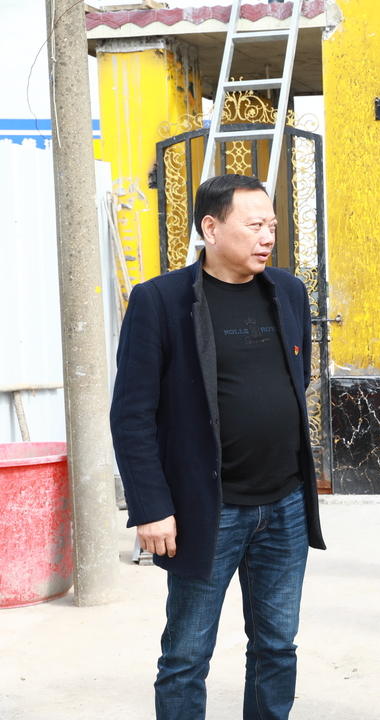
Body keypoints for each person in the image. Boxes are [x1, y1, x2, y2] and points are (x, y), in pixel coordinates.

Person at [110, 173, 326, 719]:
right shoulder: (161, 301)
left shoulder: (288, 291)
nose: (267, 236)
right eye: (254, 225)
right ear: (211, 228)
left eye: (271, 225)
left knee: (277, 646)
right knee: (186, 656)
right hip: (208, 509)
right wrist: (151, 507)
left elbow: (296, 377)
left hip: (285, 505)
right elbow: (131, 415)